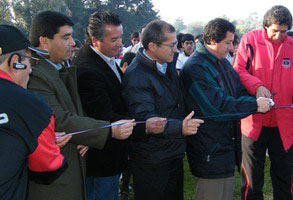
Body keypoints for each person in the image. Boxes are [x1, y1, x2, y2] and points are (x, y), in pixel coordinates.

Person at [26, 11, 135, 200]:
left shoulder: (60, 68)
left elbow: (78, 109)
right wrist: (108, 130)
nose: (72, 43)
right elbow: (60, 119)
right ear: (44, 41)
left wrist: (86, 136)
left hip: (75, 164)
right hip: (56, 174)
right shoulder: (36, 75)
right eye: (66, 37)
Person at [74, 10, 162, 200]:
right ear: (95, 40)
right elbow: (103, 115)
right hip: (101, 159)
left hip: (113, 155)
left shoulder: (106, 59)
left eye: (121, 37)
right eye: (114, 39)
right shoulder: (87, 69)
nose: (120, 43)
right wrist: (143, 127)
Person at [181, 18, 272, 200]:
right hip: (208, 149)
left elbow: (236, 90)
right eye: (228, 43)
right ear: (211, 41)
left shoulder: (221, 61)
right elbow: (218, 106)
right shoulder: (195, 68)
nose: (231, 48)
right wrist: (255, 105)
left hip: (225, 148)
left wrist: (257, 91)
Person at [234, 5, 293, 200]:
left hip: (285, 123)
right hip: (253, 121)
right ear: (265, 26)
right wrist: (257, 86)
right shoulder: (250, 40)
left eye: (284, 31)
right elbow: (238, 70)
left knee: (284, 176)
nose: (279, 36)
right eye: (274, 31)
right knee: (252, 178)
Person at [121, 19, 204, 200]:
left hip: (171, 152)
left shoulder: (167, 62)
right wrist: (180, 127)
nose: (177, 49)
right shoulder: (137, 76)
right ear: (152, 46)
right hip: (152, 159)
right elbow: (146, 119)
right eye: (172, 45)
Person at [0, 24, 70, 200]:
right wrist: (44, 143)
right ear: (15, 62)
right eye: (29, 61)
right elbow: (48, 168)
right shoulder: (31, 106)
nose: (30, 69)